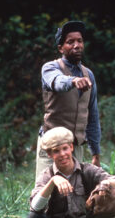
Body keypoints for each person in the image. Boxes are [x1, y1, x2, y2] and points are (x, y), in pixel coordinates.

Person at [36, 20, 102, 181]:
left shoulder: (89, 75)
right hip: (51, 145)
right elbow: (56, 82)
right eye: (70, 42)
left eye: (79, 41)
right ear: (61, 48)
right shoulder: (50, 68)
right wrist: (72, 81)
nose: (76, 45)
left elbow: (92, 115)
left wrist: (96, 153)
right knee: (45, 191)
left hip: (75, 146)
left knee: (74, 194)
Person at [29, 127, 115, 218]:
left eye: (65, 148)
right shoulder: (47, 175)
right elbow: (35, 207)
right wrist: (53, 181)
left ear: (71, 147)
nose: (62, 154)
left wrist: (107, 183)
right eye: (56, 151)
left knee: (113, 195)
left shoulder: (86, 170)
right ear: (50, 154)